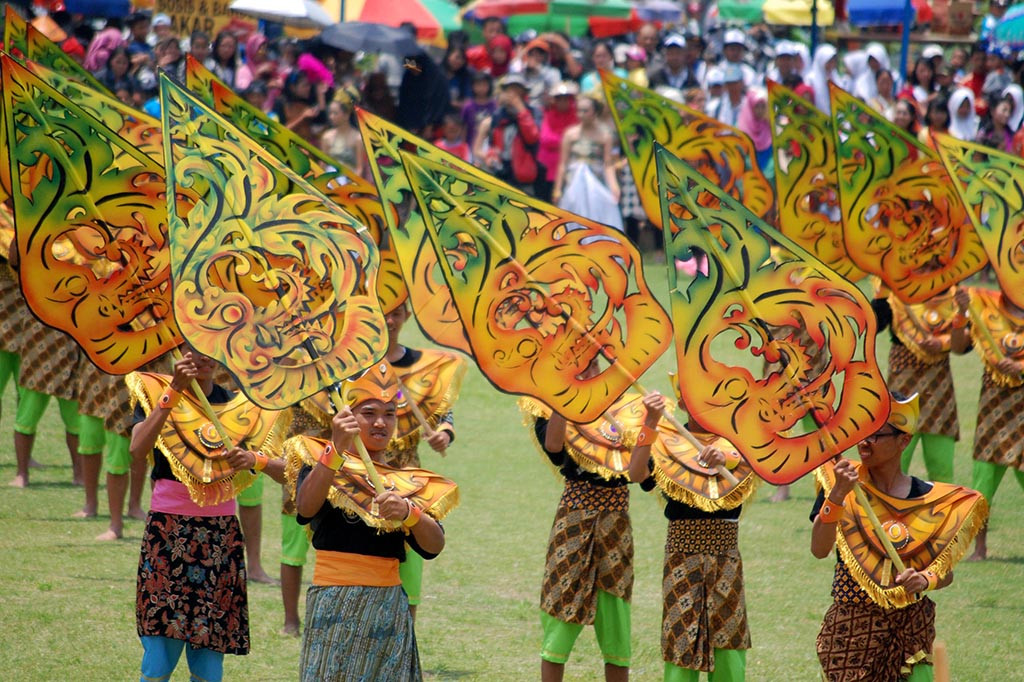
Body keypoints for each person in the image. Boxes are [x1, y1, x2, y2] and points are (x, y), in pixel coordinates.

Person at [128, 350, 288, 682]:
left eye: (208, 349)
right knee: (159, 655)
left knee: (208, 658)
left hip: (220, 536)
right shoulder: (157, 393)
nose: (201, 357)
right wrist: (174, 390)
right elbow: (138, 448)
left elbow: (287, 470)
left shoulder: (238, 406)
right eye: (192, 349)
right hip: (167, 533)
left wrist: (255, 460)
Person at [810, 392, 987, 681]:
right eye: (862, 432)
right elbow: (818, 548)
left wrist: (924, 579)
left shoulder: (928, 501)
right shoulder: (841, 481)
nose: (865, 442)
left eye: (877, 434)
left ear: (903, 440)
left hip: (911, 628)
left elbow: (946, 574)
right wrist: (838, 495)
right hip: (853, 628)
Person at [293, 361, 449, 681]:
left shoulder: (405, 482)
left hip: (387, 606)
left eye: (389, 414)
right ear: (348, 417)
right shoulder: (323, 462)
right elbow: (306, 509)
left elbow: (434, 545)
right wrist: (335, 450)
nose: (381, 422)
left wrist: (410, 513)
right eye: (369, 413)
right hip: (334, 600)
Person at [520, 370, 654, 682]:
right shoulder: (551, 400)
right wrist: (567, 394)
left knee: (616, 615)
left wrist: (651, 423)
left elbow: (641, 476)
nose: (587, 368)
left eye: (593, 360)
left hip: (616, 524)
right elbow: (554, 446)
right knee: (561, 608)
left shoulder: (631, 410)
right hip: (574, 519)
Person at [628, 393, 757, 682]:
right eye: (695, 396)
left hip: (725, 553)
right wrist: (650, 421)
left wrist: (726, 456)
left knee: (728, 640)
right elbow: (637, 473)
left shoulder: (737, 438)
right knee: (680, 638)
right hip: (681, 552)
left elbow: (765, 464)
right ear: (683, 402)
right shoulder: (666, 440)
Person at [872, 286, 971, 483]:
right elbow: (872, 325)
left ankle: (942, 510)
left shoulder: (953, 295)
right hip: (902, 385)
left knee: (941, 466)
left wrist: (961, 311)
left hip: (939, 389)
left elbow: (961, 347)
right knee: (891, 460)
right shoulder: (896, 292)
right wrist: (883, 288)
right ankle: (887, 511)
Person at [955, 285, 1024, 560]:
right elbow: (959, 347)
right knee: (982, 483)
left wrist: (1020, 367)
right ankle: (980, 548)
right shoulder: (985, 307)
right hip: (992, 410)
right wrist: (961, 312)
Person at [553, 93, 621, 229]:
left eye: (585, 111)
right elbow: (563, 163)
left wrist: (614, 186)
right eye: (579, 110)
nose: (581, 114)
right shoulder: (570, 134)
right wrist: (557, 188)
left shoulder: (605, 135)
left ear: (594, 112)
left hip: (595, 180)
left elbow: (608, 164)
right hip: (574, 180)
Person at [319, 87, 365, 177]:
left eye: (335, 113)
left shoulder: (357, 138)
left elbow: (360, 168)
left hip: (349, 182)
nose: (331, 117)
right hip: (330, 182)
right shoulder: (327, 137)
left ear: (346, 115)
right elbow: (322, 164)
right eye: (330, 113)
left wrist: (353, 188)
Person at [736, 86, 772, 180]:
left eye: (763, 106)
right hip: (748, 179)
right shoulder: (740, 127)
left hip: (769, 178)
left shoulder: (770, 126)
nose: (760, 110)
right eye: (757, 106)